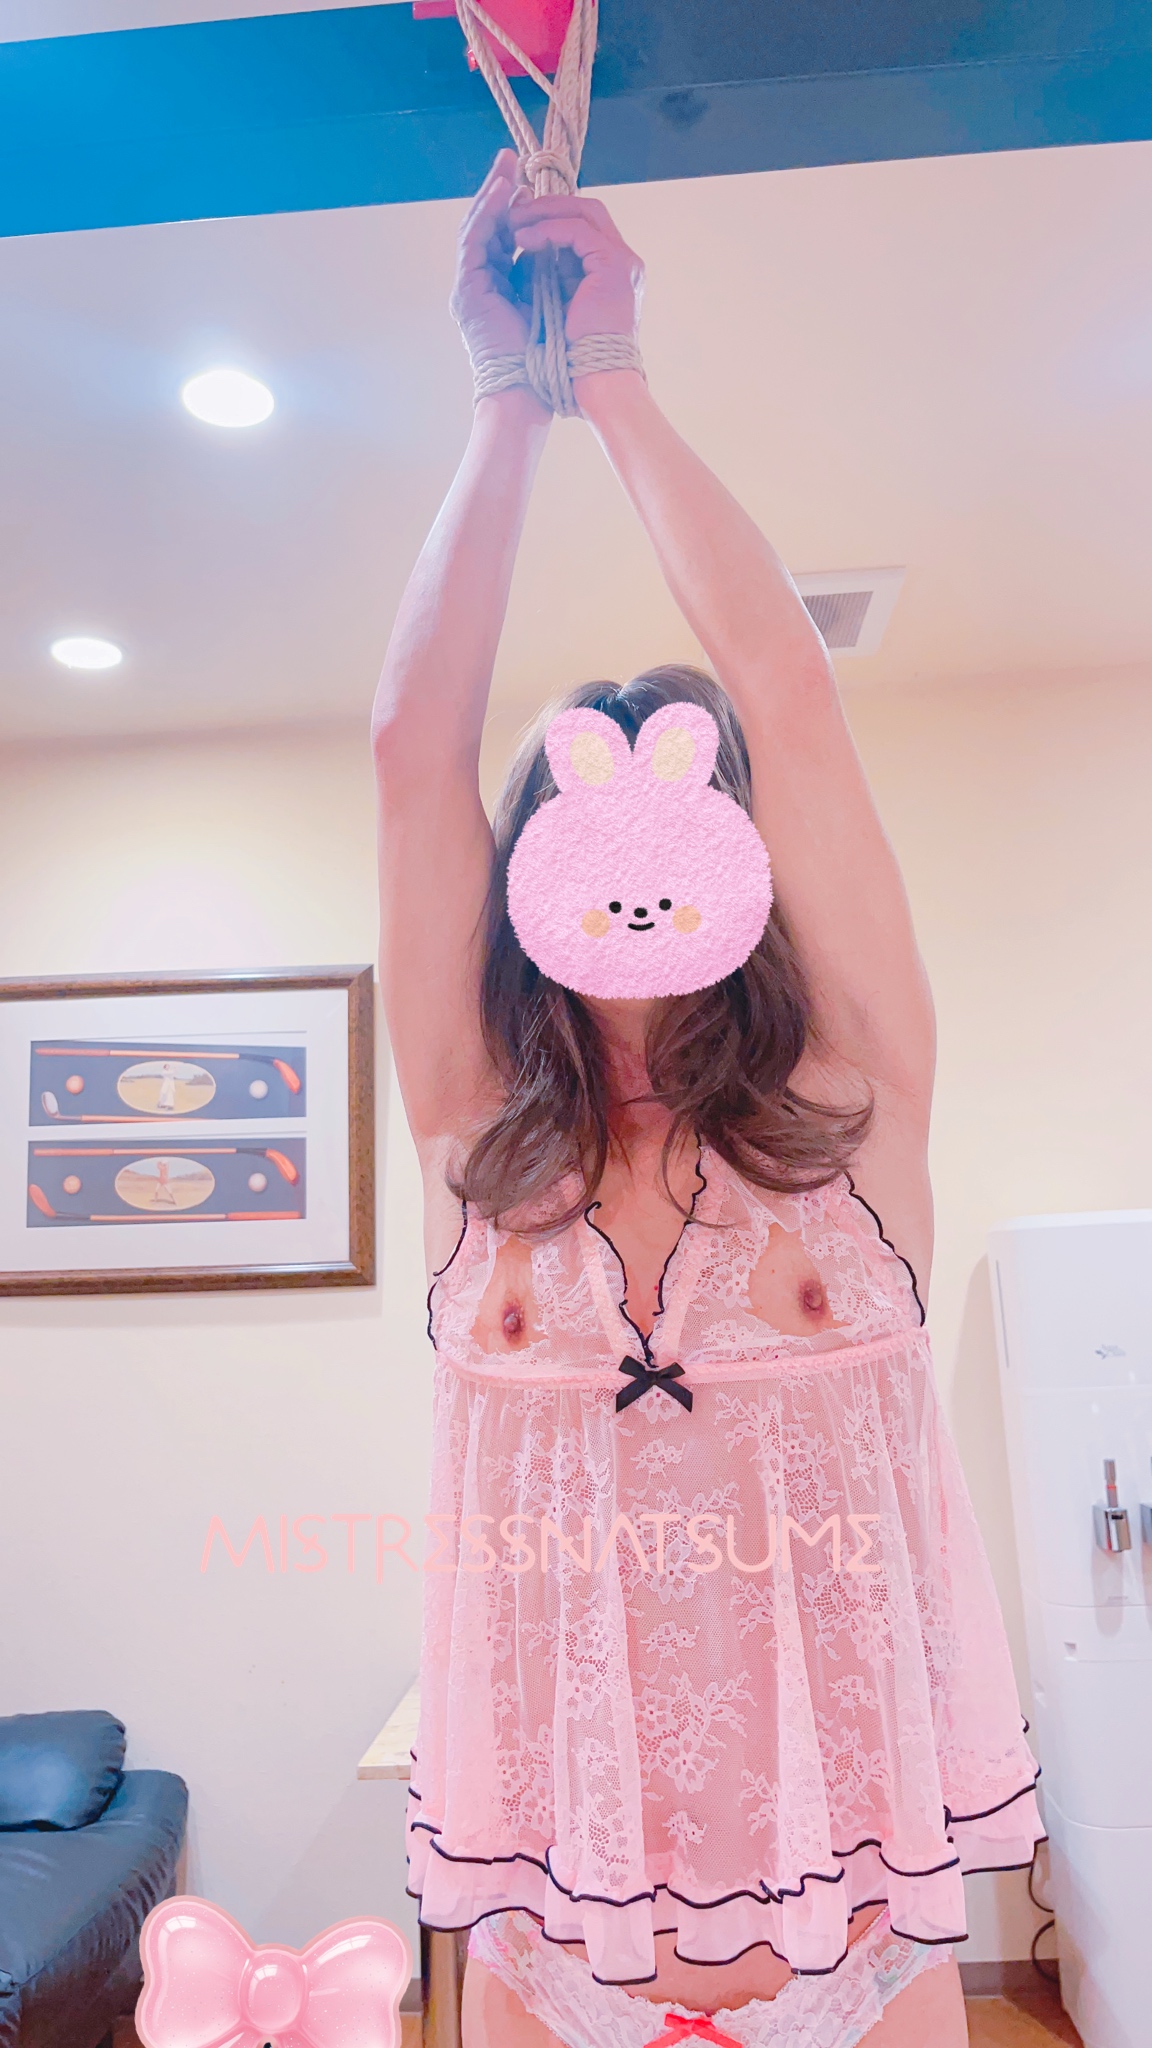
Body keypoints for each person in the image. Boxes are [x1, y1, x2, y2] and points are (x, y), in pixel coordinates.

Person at [372, 152, 1042, 2048]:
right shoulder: (476, 1146)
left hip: (858, 1937)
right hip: (550, 1938)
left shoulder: (852, 1113)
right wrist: (500, 400)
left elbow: (787, 691)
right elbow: (411, 747)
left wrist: (616, 374)